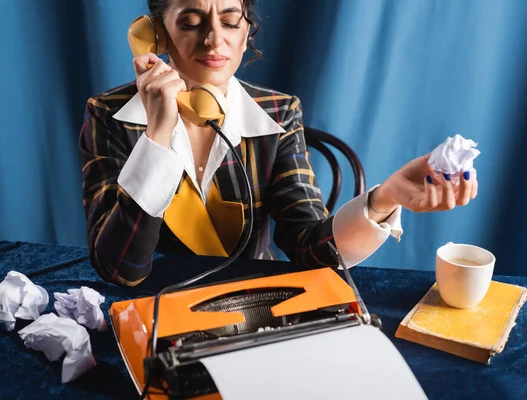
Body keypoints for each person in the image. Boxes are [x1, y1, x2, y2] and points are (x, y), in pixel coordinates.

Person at [78, 0, 478, 287]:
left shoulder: (279, 112)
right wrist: (158, 135)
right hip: (152, 305)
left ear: (246, 31)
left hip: (251, 300)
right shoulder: (108, 114)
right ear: (157, 35)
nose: (214, 39)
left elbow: (311, 250)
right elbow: (120, 270)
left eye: (231, 21)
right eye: (191, 21)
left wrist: (385, 197)